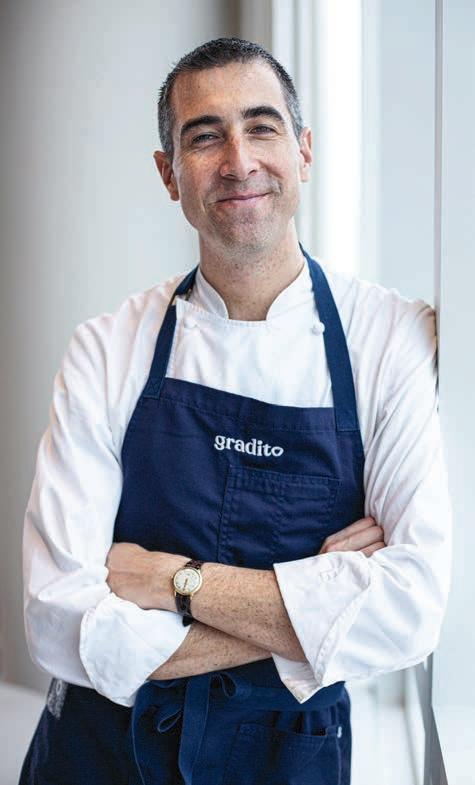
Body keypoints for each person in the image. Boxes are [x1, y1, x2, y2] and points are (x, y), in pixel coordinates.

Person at [19, 37, 452, 785]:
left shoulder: (390, 339)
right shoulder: (107, 348)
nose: (239, 160)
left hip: (290, 758)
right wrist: (321, 599)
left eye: (261, 126)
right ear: (169, 175)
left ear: (303, 151)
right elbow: (57, 621)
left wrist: (172, 580)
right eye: (204, 136)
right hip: (99, 754)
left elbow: (409, 612)